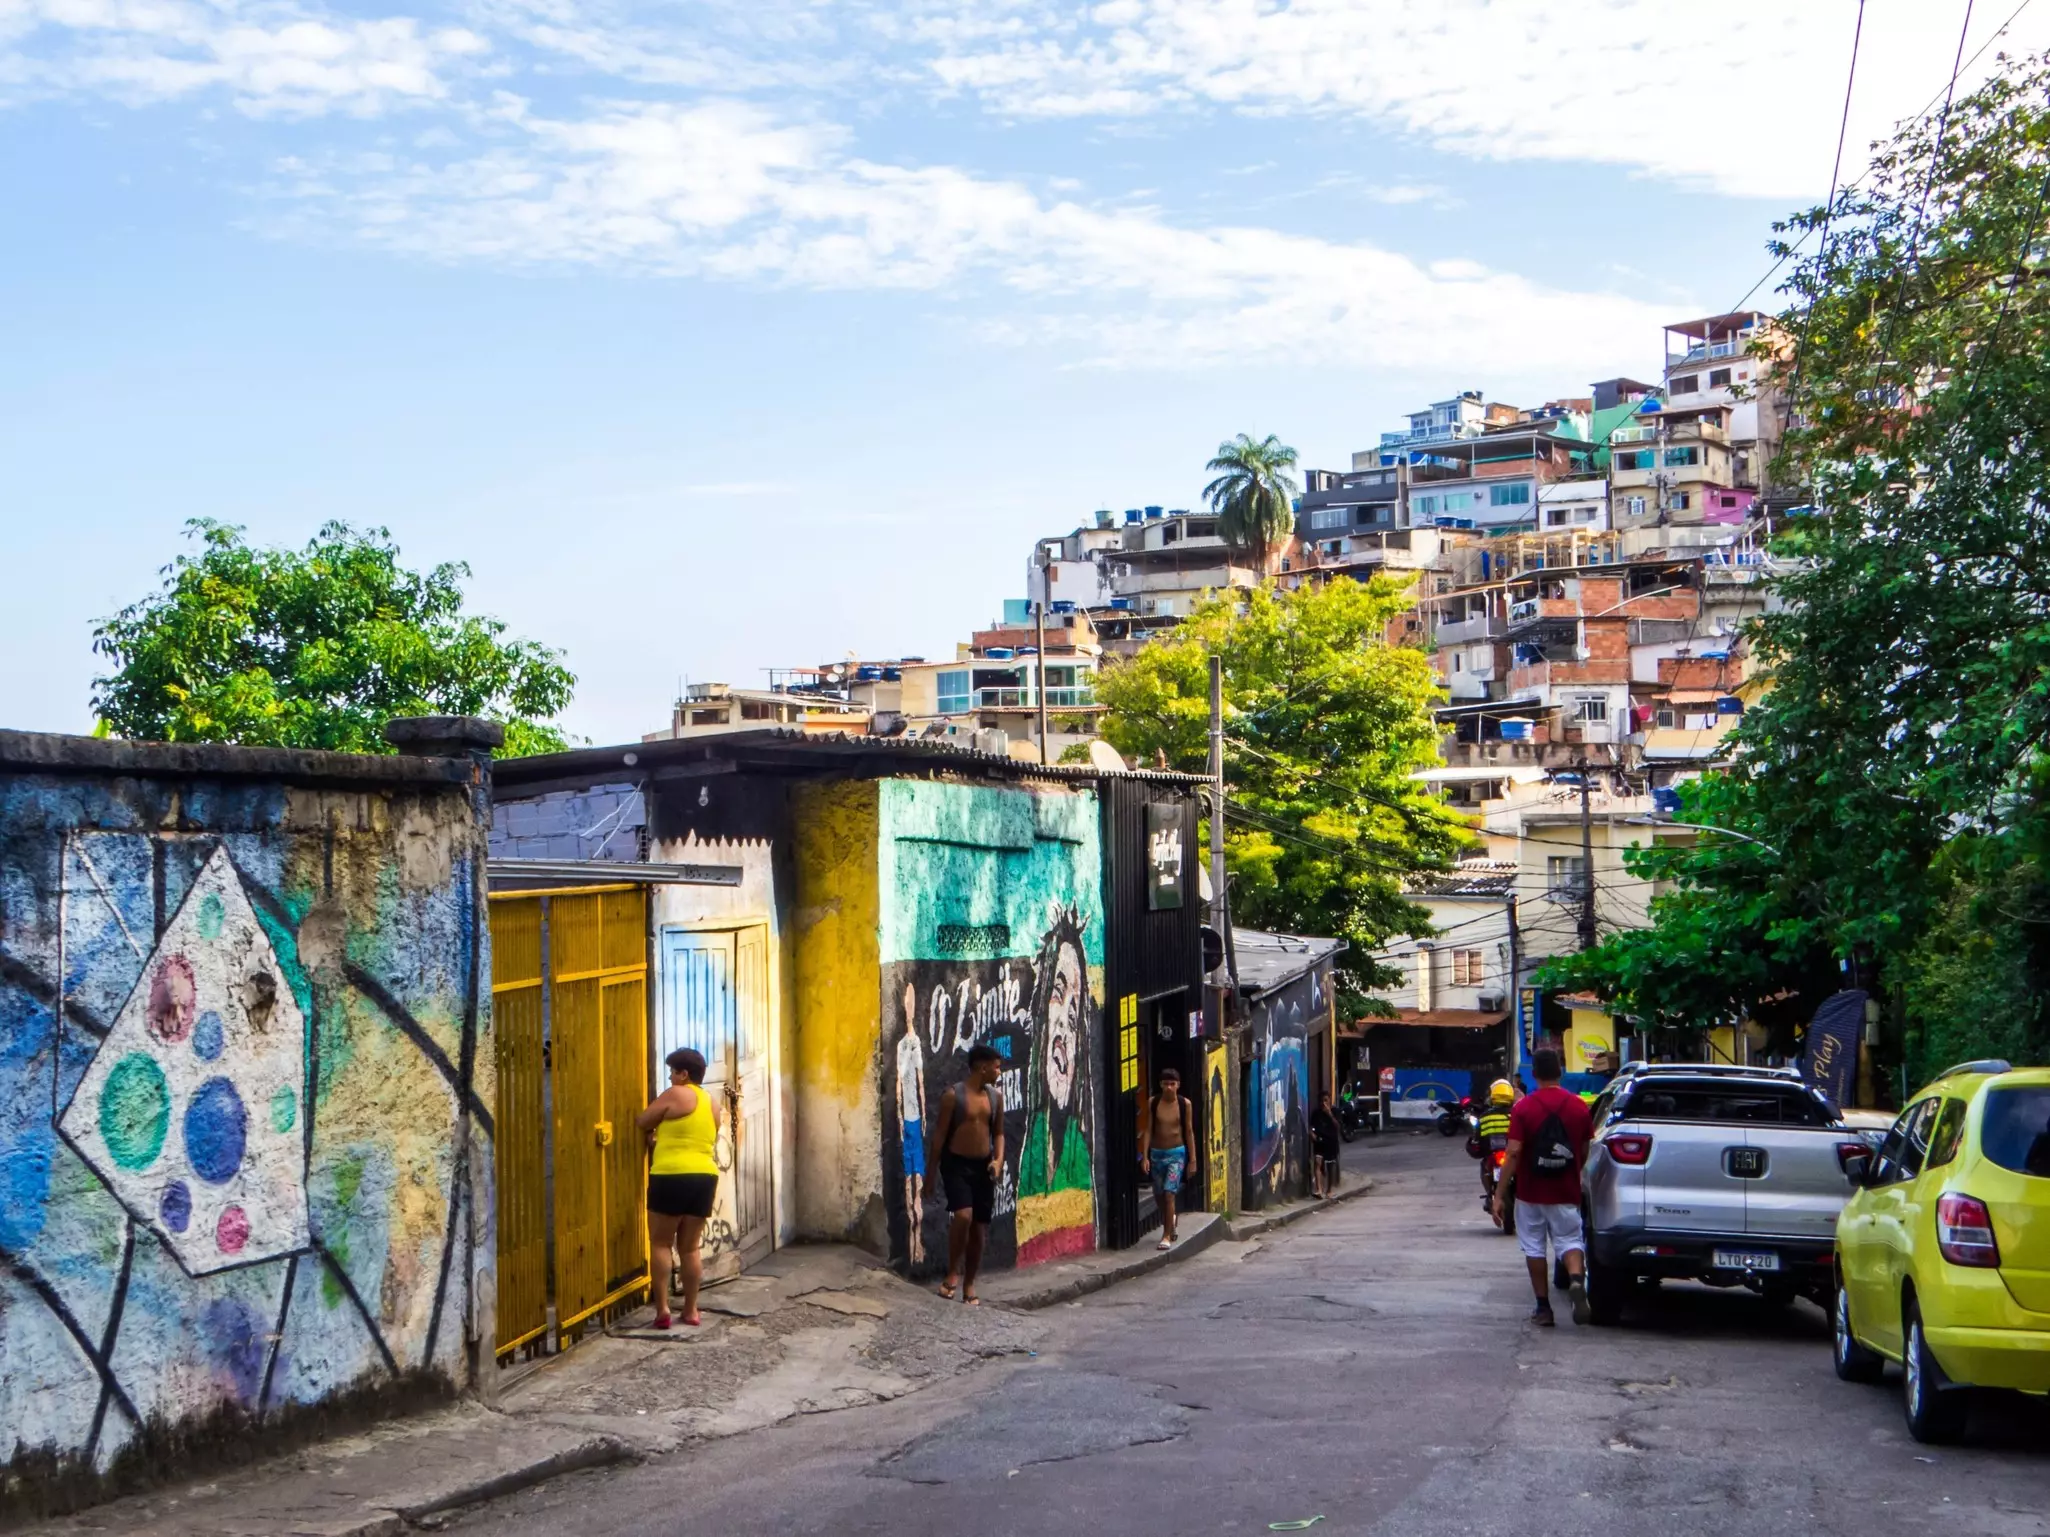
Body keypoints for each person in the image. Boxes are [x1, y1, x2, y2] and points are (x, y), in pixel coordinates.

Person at [1492, 1048, 1595, 1327]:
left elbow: (1513, 1153)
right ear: (1560, 1071)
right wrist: (1573, 1171)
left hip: (1530, 1192)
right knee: (1571, 1241)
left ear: (1534, 1074)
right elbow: (1584, 1149)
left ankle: (1543, 1308)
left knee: (1535, 1248)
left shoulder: (1523, 1108)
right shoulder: (1578, 1106)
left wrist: (1500, 1194)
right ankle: (1575, 1279)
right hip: (1565, 1190)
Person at [636, 1046, 721, 1330]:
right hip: (705, 1177)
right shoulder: (712, 1102)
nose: (670, 1077)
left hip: (671, 1176)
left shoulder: (676, 1094)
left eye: (673, 1071)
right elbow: (699, 1136)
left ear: (684, 1074)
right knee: (690, 1248)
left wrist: (654, 1137)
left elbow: (643, 1121)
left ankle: (662, 1310)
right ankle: (691, 1310)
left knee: (661, 1244)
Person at [930, 1043, 1004, 1305]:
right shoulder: (954, 1096)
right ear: (982, 1068)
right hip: (956, 1165)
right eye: (996, 1067)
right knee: (963, 1216)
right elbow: (939, 1137)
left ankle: (969, 1283)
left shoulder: (995, 1098)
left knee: (979, 1228)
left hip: (983, 1167)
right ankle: (952, 1272)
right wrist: (930, 1176)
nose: (999, 1072)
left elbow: (999, 1133)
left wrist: (998, 1160)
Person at [1138, 1067, 1193, 1249]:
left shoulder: (1185, 1104)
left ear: (1178, 1085)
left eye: (1172, 1084)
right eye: (1166, 1084)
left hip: (1176, 1154)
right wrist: (1145, 1157)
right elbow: (1148, 1130)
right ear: (1161, 1085)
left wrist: (1192, 1160)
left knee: (1169, 1194)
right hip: (1157, 1154)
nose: (1169, 1088)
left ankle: (1167, 1235)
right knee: (1159, 1195)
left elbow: (1189, 1131)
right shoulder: (1153, 1103)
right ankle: (1172, 1219)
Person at [895, 985, 928, 1270]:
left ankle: (918, 1245)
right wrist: (898, 1118)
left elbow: (919, 1083)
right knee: (910, 1184)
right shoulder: (903, 1046)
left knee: (916, 1185)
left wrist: (924, 1116)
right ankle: (912, 1244)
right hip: (908, 1122)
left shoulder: (914, 1043)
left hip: (913, 1122)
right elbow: (902, 1083)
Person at [1477, 1078, 1514, 1204]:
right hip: (1511, 1155)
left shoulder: (1484, 1117)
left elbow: (1477, 1139)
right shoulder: (1515, 1115)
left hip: (1493, 1156)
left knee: (1484, 1166)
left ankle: (1489, 1194)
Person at [1310, 1091, 1343, 1198]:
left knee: (1330, 1166)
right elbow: (1311, 1126)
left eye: (1326, 1100)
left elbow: (1338, 1126)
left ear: (1329, 1100)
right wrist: (1312, 1134)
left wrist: (1329, 1113)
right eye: (1322, 1101)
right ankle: (1319, 1189)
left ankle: (1329, 1190)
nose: (1323, 1103)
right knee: (1317, 1163)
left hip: (1331, 1142)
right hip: (1319, 1141)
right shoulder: (1316, 1113)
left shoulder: (1335, 1111)